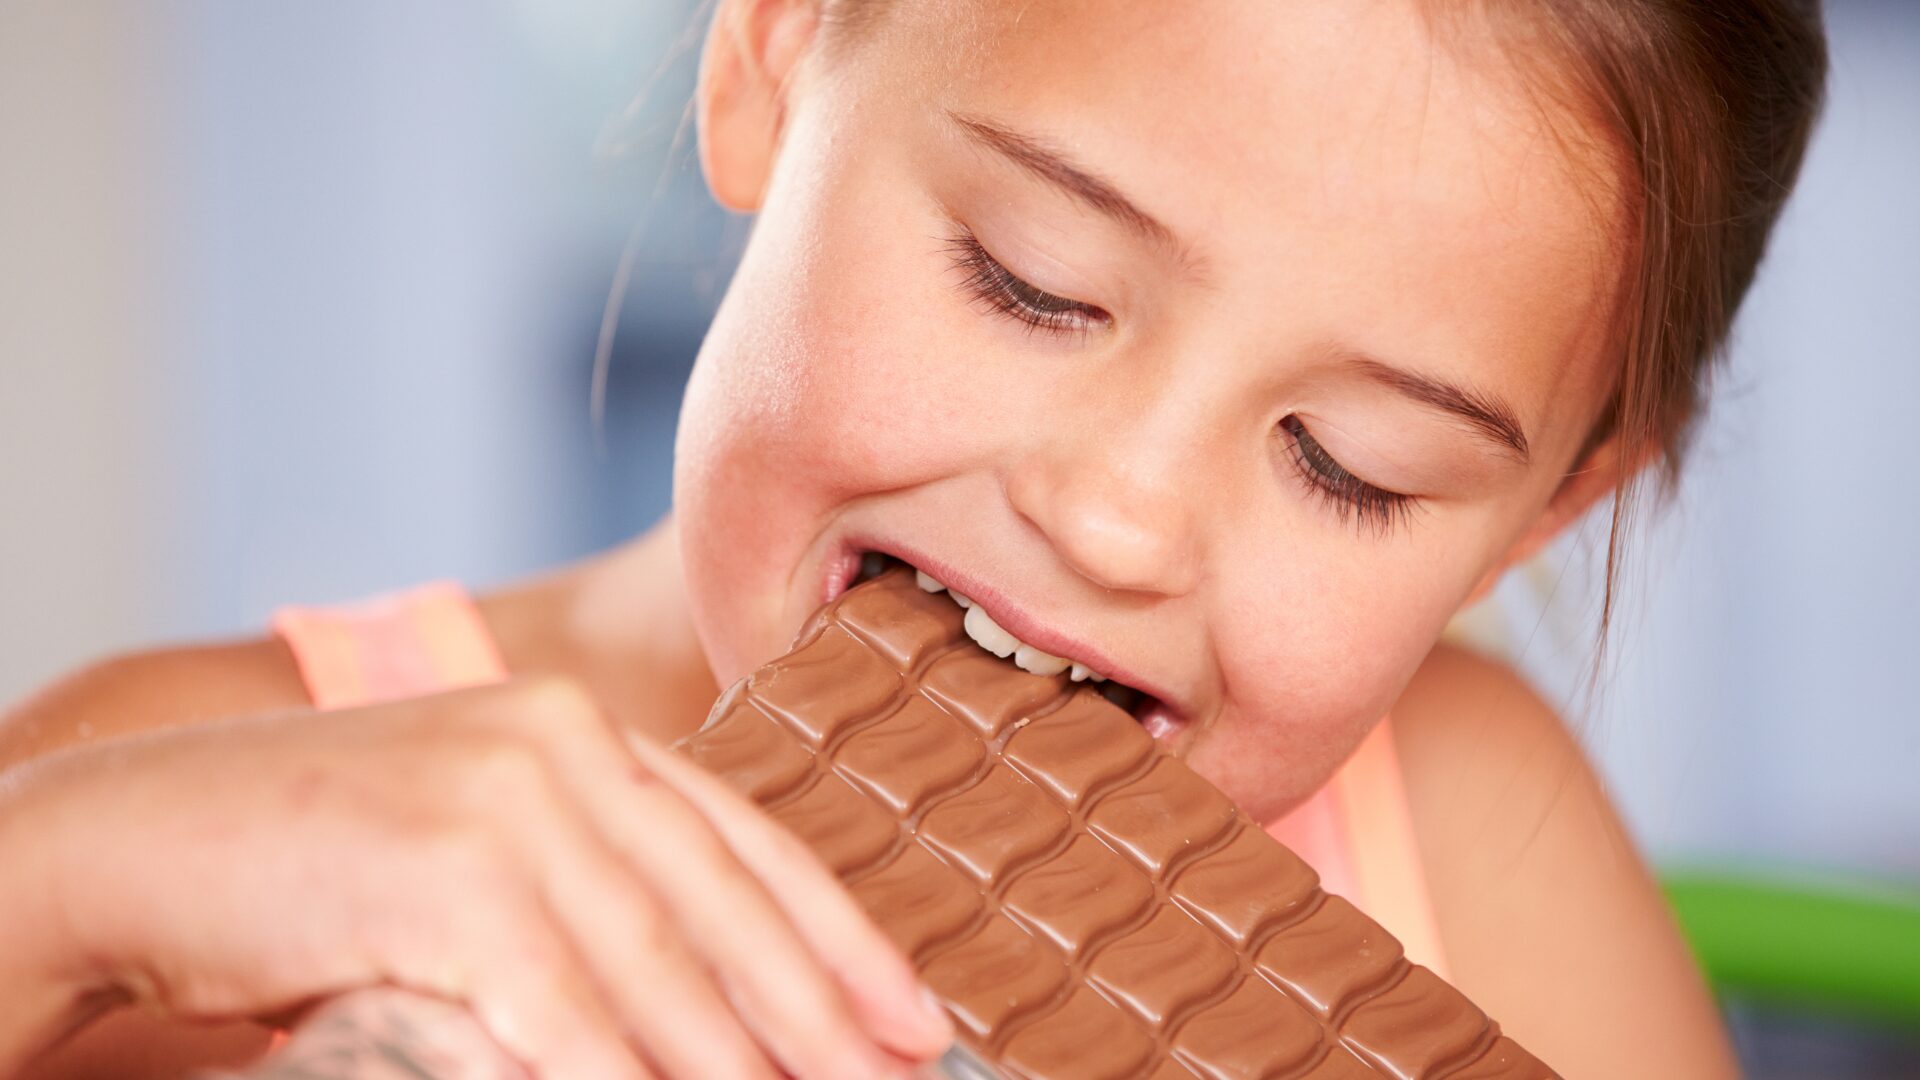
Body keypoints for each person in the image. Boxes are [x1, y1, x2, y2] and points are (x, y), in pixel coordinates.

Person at [0, 0, 1829, 1076]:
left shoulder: (1477, 847)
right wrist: (64, 878)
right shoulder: (193, 795)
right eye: (1028, 283)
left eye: (1347, 465)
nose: (1117, 517)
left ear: (1540, 518)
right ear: (777, 57)